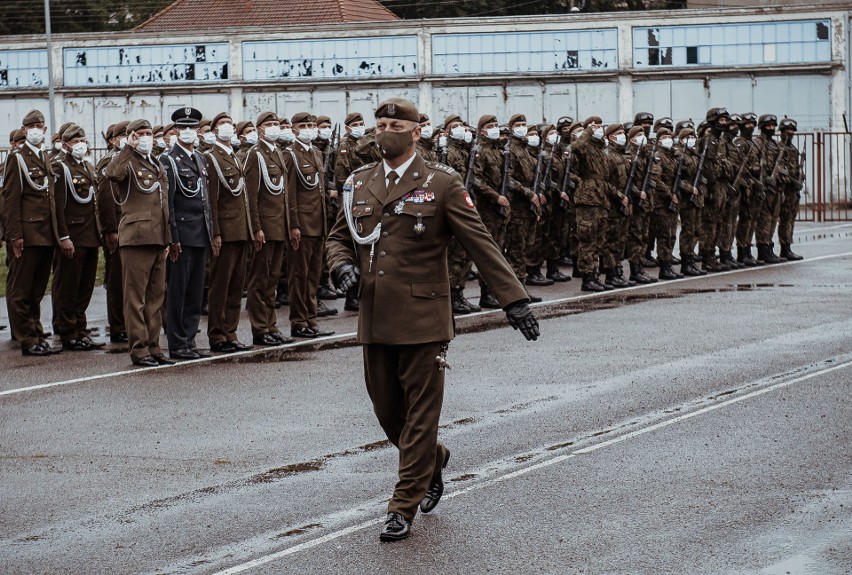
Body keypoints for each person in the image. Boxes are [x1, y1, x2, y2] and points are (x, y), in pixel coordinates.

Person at [327, 98, 539, 543]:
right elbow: (338, 236)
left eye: (394, 125)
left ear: (416, 132)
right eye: (379, 124)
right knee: (388, 412)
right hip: (376, 316)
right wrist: (341, 265)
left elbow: (479, 241)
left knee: (421, 415)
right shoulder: (359, 183)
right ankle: (433, 458)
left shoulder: (442, 183)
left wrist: (513, 300)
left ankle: (402, 504)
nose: (384, 131)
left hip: (424, 317)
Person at [106, 119, 174, 367]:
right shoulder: (127, 161)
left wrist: (167, 237)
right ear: (131, 136)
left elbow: (163, 203)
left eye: (148, 133)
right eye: (140, 134)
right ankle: (139, 350)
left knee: (156, 297)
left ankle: (154, 346)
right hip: (136, 238)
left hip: (157, 238)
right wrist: (128, 148)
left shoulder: (155, 162)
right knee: (136, 299)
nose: (146, 137)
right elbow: (112, 174)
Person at [3, 109, 70, 356]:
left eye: (39, 126)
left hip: (46, 234)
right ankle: (27, 339)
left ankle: (36, 332)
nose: (35, 129)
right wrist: (14, 236)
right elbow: (11, 200)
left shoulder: (44, 157)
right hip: (27, 235)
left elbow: (52, 201)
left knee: (37, 289)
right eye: (30, 125)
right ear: (24, 130)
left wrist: (60, 234)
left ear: (44, 130)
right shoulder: (17, 159)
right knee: (21, 290)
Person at [162, 107, 214, 360]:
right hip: (182, 234)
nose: (188, 132)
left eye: (192, 128)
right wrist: (173, 238)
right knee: (178, 290)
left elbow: (205, 200)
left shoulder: (200, 159)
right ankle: (177, 342)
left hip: (200, 233)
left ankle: (190, 339)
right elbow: (168, 203)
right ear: (174, 131)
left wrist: (211, 232)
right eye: (183, 128)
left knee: (195, 291)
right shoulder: (169, 160)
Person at [51, 124, 106, 351]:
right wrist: (63, 237)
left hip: (90, 236)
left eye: (83, 140)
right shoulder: (60, 167)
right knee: (68, 287)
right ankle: (68, 332)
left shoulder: (87, 166)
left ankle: (80, 329)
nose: (81, 144)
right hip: (73, 236)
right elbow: (57, 207)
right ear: (65, 145)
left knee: (85, 287)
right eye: (75, 141)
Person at [204, 112, 255, 353]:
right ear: (214, 132)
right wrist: (215, 232)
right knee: (220, 286)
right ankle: (217, 335)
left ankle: (230, 332)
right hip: (225, 230)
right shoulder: (211, 158)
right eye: (223, 124)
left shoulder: (234, 156)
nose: (228, 128)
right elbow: (212, 200)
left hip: (241, 230)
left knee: (236, 287)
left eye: (230, 124)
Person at [244, 112, 294, 346]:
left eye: (277, 124)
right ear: (260, 130)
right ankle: (260, 328)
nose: (275, 128)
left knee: (272, 280)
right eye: (270, 125)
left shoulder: (277, 154)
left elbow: (283, 195)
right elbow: (251, 197)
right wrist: (256, 228)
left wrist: (290, 225)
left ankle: (271, 325)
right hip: (264, 227)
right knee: (259, 281)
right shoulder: (256, 155)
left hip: (278, 227)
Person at [285, 112, 334, 338]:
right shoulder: (290, 155)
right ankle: (299, 321)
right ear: (294, 129)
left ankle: (311, 319)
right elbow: (290, 194)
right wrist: (293, 225)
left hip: (318, 223)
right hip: (302, 225)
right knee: (299, 275)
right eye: (304, 125)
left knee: (313, 275)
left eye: (311, 125)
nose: (309, 129)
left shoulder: (315, 152)